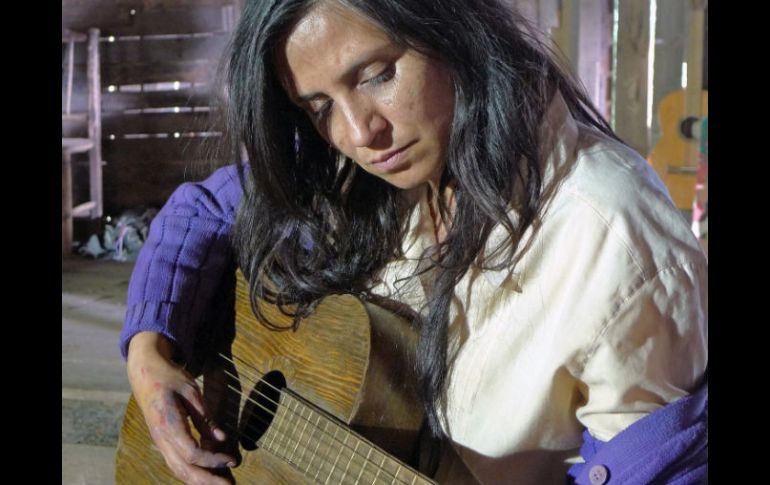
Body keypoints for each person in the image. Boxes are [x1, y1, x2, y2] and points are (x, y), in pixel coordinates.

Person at [120, 1, 708, 484]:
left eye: (377, 74)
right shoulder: (351, 167)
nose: (360, 134)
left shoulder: (617, 241)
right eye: (319, 106)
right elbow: (206, 208)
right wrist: (150, 356)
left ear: (454, 27)